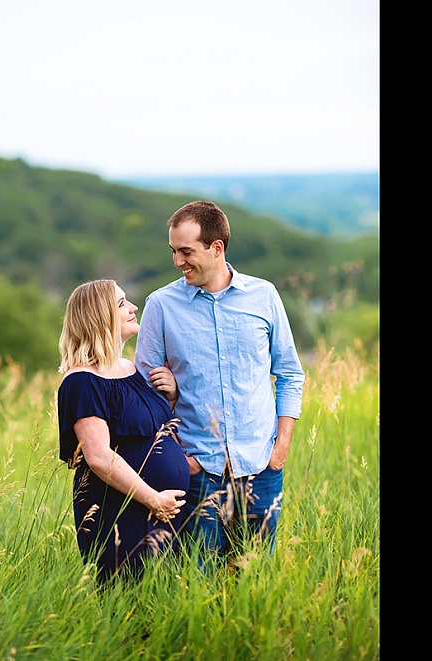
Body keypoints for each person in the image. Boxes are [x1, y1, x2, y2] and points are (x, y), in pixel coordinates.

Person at [135, 200, 305, 566]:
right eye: (174, 252)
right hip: (197, 475)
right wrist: (179, 454)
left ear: (216, 248)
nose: (177, 262)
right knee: (199, 585)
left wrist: (281, 448)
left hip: (261, 469)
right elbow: (142, 397)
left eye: (185, 252)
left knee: (254, 583)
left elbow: (290, 374)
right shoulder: (160, 306)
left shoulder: (265, 296)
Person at [57, 279, 190, 584]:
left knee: (161, 600)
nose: (133, 308)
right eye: (121, 304)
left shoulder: (130, 368)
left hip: (161, 507)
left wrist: (169, 395)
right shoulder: (81, 382)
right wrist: (153, 499)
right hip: (122, 510)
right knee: (129, 602)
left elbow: (151, 429)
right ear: (98, 316)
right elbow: (99, 456)